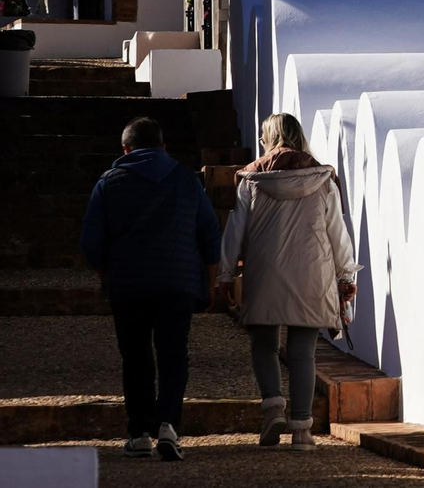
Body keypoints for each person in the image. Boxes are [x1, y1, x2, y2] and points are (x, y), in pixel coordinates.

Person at [80, 117, 220, 462]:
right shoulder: (188, 180)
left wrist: (108, 274)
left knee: (136, 357)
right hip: (178, 282)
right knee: (174, 355)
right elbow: (209, 233)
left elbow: (90, 242)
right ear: (163, 146)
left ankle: (140, 432)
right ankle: (169, 426)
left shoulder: (109, 183)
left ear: (125, 149)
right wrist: (211, 281)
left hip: (128, 284)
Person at [217, 113, 356, 450]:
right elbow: (337, 232)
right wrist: (346, 274)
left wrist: (225, 273)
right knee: (303, 352)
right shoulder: (322, 179)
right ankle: (302, 431)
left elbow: (235, 230)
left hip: (263, 271)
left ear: (268, 138)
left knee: (263, 345)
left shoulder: (251, 180)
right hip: (312, 273)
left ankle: (273, 408)